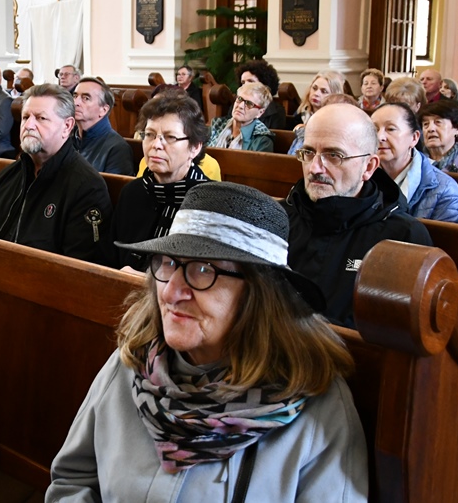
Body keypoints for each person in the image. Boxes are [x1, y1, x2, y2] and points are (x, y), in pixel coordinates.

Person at [49, 182, 368, 501]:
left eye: (203, 269)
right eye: (169, 263)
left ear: (259, 293)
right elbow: (73, 480)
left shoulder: (317, 409)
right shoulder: (132, 362)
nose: (171, 292)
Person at [284, 103, 432, 326]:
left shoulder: (403, 237)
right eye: (308, 152)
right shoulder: (278, 217)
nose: (314, 168)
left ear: (369, 166)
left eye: (334, 155)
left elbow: (405, 332)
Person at [0, 84, 112, 264]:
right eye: (25, 117)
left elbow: (80, 268)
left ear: (67, 126)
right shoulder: (8, 175)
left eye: (41, 118)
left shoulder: (87, 187)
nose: (29, 126)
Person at [110, 93, 211, 271]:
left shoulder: (209, 203)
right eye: (150, 134)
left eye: (170, 137)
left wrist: (143, 281)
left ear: (195, 147)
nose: (156, 145)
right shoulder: (132, 192)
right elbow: (110, 256)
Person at [371, 103, 458, 223]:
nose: (380, 137)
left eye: (391, 129)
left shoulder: (445, 188)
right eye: (374, 130)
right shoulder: (359, 175)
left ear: (414, 138)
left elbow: (443, 234)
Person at [73, 77, 136, 175]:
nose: (76, 103)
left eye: (86, 98)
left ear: (103, 110)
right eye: (75, 96)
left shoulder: (117, 148)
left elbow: (111, 184)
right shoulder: (65, 138)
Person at [207, 81, 275, 152]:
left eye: (249, 104)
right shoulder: (217, 125)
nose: (240, 106)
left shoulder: (262, 141)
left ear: (260, 112)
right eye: (239, 99)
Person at [236, 59, 286, 130]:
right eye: (243, 82)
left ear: (264, 84)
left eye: (251, 81)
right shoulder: (236, 105)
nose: (245, 85)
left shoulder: (276, 112)